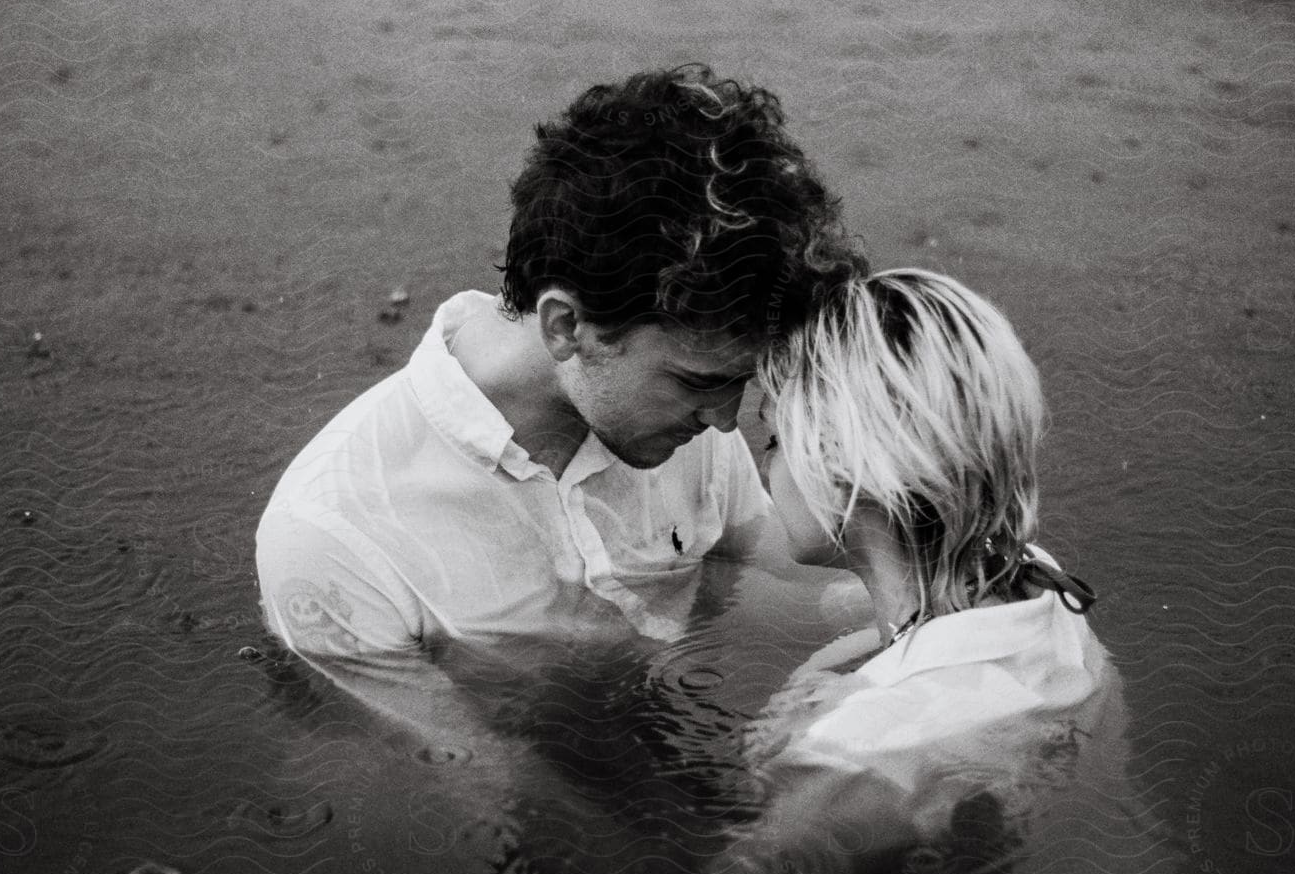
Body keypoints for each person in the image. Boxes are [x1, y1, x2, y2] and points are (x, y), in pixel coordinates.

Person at [254, 64, 865, 694]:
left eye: (742, 381)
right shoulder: (331, 537)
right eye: (698, 383)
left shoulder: (681, 402)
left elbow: (774, 575)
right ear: (566, 325)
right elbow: (463, 777)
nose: (725, 419)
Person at [722, 267, 1115, 874]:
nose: (765, 463)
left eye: (773, 440)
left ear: (838, 462)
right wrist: (829, 668)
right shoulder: (1040, 587)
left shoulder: (854, 752)